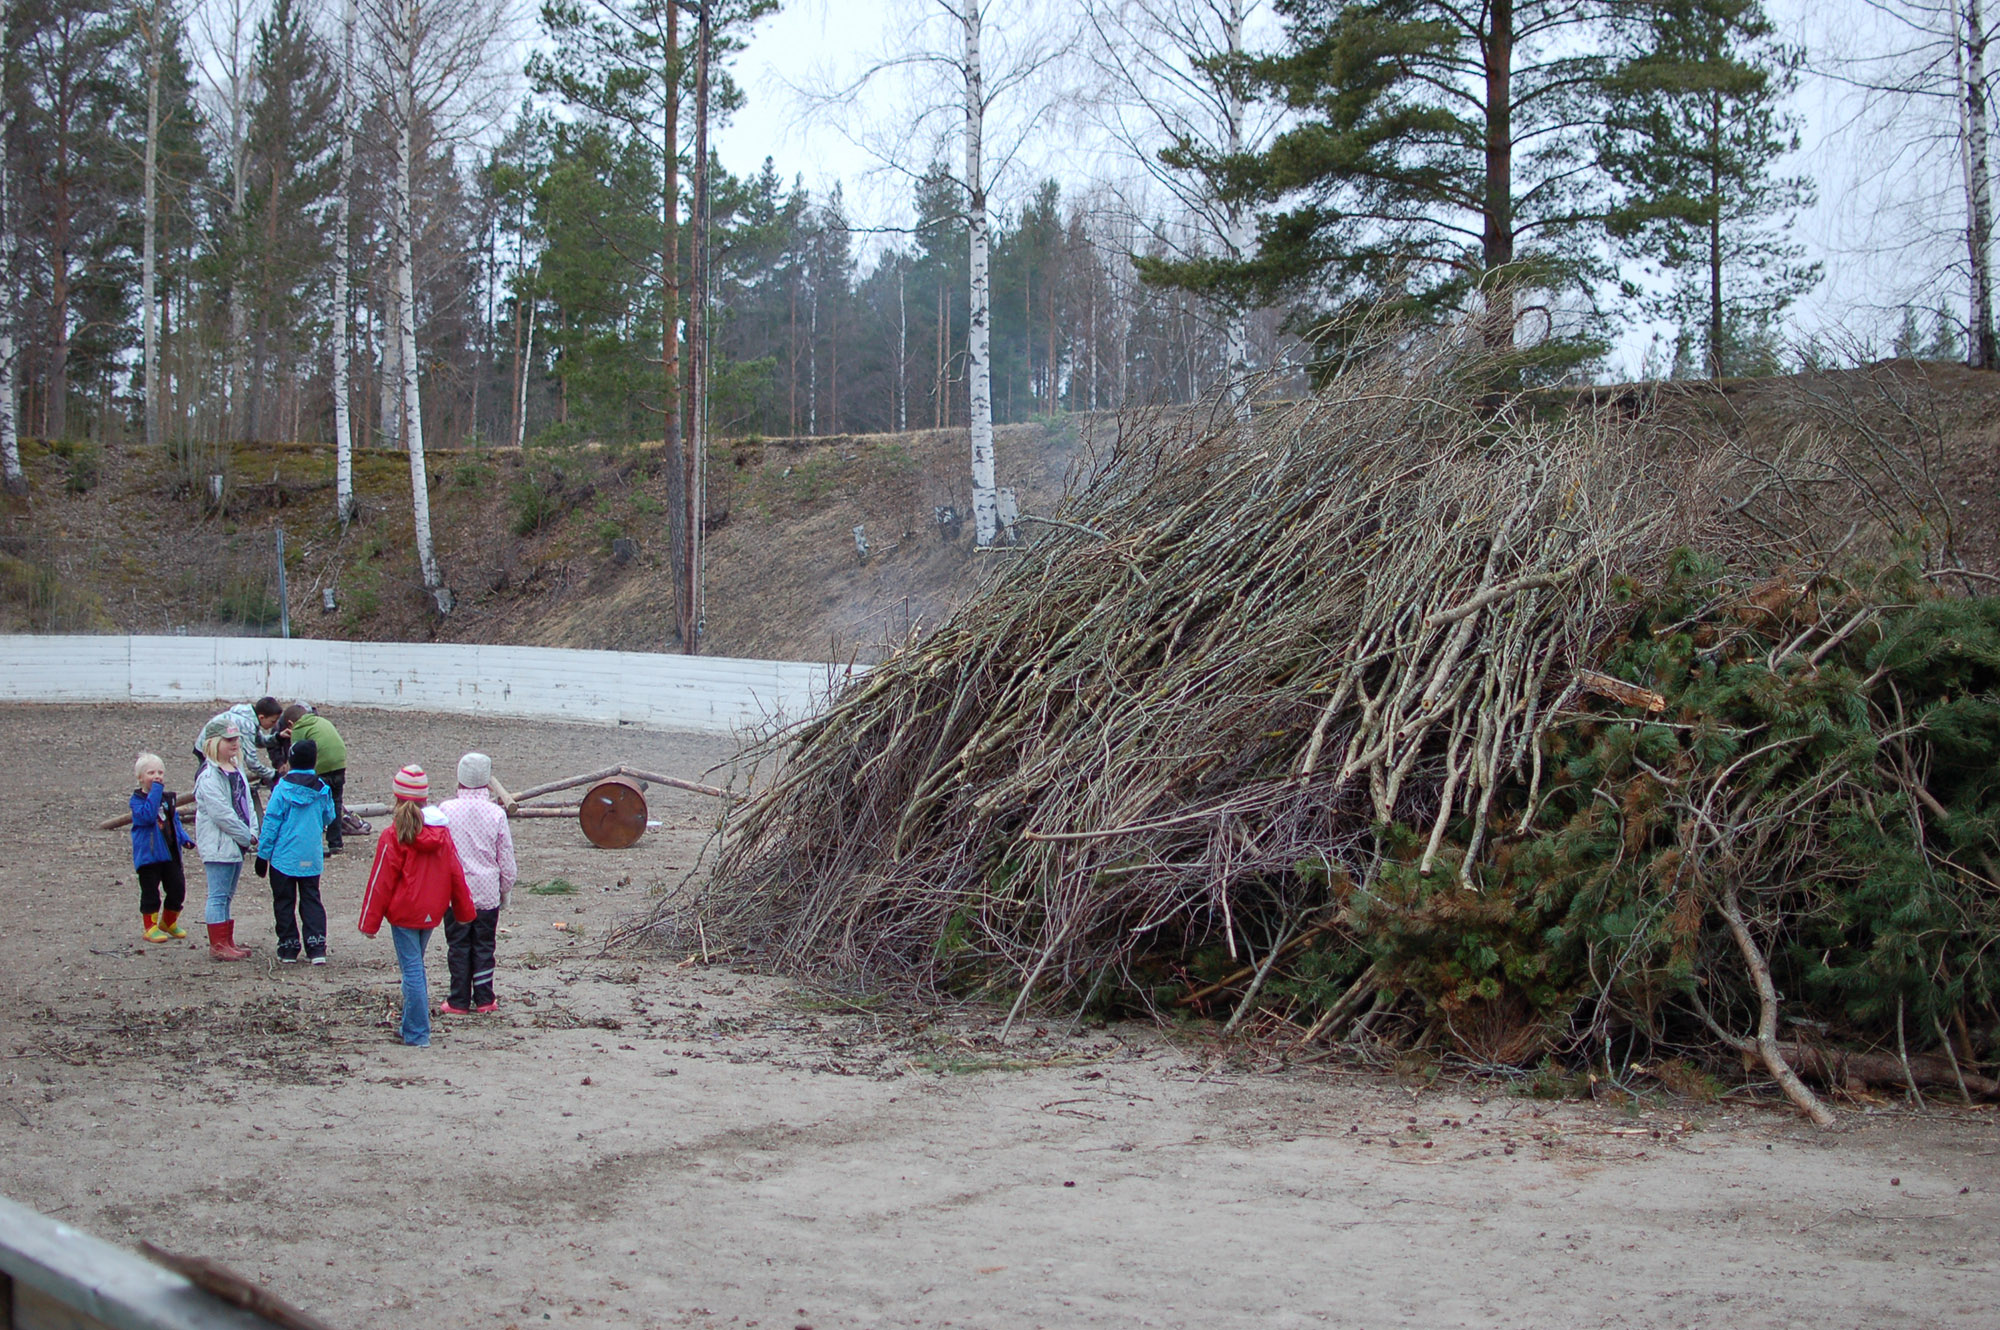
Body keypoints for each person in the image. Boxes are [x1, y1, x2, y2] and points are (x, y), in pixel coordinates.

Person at [359, 766, 475, 1047]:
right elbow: (455, 873)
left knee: (412, 971)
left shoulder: (394, 835)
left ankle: (417, 1033)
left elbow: (380, 882)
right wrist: (464, 911)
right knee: (415, 968)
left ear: (397, 799)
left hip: (404, 913)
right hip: (430, 912)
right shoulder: (441, 834)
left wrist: (369, 923)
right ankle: (410, 1026)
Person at [437, 753, 516, 1014]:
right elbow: (505, 858)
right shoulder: (496, 813)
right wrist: (505, 890)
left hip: (455, 892)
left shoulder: (445, 810)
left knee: (458, 945)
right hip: (486, 891)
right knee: (484, 945)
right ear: (487, 782)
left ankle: (458, 998)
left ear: (460, 778)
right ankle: (484, 998)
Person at [255, 737, 337, 964]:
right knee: (311, 898)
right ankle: (316, 945)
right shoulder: (322, 789)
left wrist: (263, 855)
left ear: (291, 761)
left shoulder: (281, 789)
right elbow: (329, 816)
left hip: (284, 857)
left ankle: (288, 946)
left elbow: (271, 822)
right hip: (310, 856)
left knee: (284, 901)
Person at [193, 726, 260, 961]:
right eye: (228, 740)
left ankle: (226, 939)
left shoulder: (236, 769)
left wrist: (253, 830)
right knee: (218, 895)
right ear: (214, 742)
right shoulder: (209, 777)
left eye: (236, 740)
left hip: (237, 843)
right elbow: (222, 814)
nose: (234, 744)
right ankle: (218, 944)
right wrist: (246, 836)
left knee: (227, 895)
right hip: (220, 844)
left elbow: (246, 804)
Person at [130, 752, 195, 943]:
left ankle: (168, 921)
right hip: (149, 855)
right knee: (151, 891)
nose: (157, 776)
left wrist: (184, 839)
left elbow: (174, 822)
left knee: (177, 888)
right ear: (140, 777)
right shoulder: (137, 801)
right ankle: (150, 926)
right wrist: (155, 791)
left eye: (160, 772)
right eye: (151, 773)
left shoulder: (167, 799)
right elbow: (148, 816)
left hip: (170, 852)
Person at [282, 703, 350, 853]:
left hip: (321, 766)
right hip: (339, 763)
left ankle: (312, 842)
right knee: (336, 802)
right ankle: (335, 842)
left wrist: (285, 772)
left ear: (290, 724)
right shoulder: (322, 721)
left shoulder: (299, 727)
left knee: (313, 802)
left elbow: (296, 756)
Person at [193, 698, 285, 787]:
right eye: (273, 721)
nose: (274, 724)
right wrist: (272, 774)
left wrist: (278, 737)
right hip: (208, 748)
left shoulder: (249, 717)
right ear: (261, 717)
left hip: (211, 746)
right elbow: (252, 762)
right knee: (213, 778)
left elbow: (259, 741)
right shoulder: (246, 725)